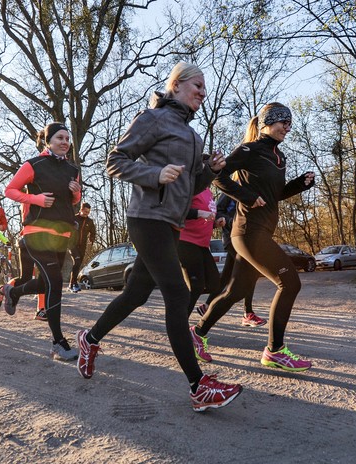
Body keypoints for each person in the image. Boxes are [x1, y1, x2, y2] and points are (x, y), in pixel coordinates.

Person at [74, 62, 242, 412]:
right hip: (146, 217)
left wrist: (209, 172)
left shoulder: (193, 137)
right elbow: (115, 161)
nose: (202, 92)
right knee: (178, 293)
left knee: (136, 293)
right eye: (197, 85)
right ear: (177, 84)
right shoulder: (152, 119)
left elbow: (192, 186)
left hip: (171, 223)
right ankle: (199, 386)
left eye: (204, 88)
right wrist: (154, 173)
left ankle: (89, 339)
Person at [190, 102, 316, 372]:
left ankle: (197, 333)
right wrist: (246, 197)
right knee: (290, 283)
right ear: (267, 122)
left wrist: (298, 184)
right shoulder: (251, 149)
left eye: (289, 122)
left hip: (260, 231)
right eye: (283, 121)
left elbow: (274, 195)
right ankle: (274, 350)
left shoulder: (277, 157)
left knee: (236, 291)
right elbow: (218, 175)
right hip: (249, 232)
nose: (287, 127)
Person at [1, 122, 82, 361]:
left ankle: (13, 292)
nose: (65, 142)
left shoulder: (72, 168)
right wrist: (34, 198)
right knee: (55, 282)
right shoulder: (33, 164)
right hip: (37, 232)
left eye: (68, 138)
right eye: (60, 137)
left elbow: (74, 201)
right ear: (48, 141)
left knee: (46, 282)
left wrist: (76, 191)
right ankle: (58, 343)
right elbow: (10, 190)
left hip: (62, 233)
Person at [195, 192, 263, 326]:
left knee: (226, 276)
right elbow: (218, 210)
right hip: (232, 237)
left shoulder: (253, 189)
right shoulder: (231, 188)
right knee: (252, 270)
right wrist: (233, 223)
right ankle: (247, 313)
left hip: (246, 237)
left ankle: (207, 305)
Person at [177, 188, 224, 319]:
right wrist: (199, 213)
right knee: (196, 286)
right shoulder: (191, 186)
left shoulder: (208, 192)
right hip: (185, 241)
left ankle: (182, 294)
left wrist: (215, 223)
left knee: (214, 284)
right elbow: (177, 210)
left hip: (202, 244)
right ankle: (179, 324)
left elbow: (206, 218)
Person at [68, 202, 96, 293]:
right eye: (85, 211)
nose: (86, 213)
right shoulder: (74, 218)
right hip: (72, 244)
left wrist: (92, 238)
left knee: (78, 263)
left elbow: (93, 232)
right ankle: (74, 284)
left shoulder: (89, 221)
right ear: (81, 209)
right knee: (77, 260)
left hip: (82, 246)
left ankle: (71, 284)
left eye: (88, 212)